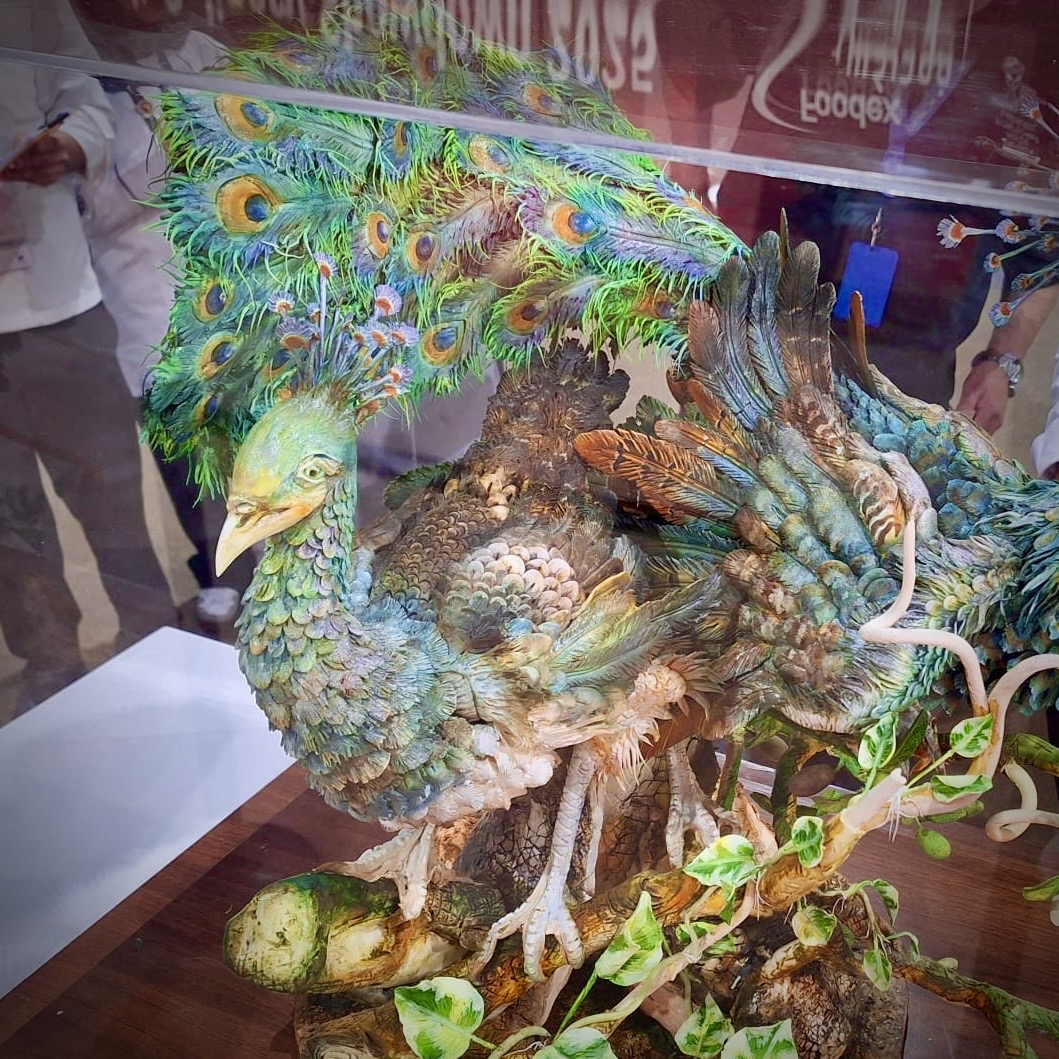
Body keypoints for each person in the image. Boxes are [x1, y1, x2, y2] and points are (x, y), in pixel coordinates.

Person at [0, 0, 174, 709]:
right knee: (8, 519)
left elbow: (83, 95)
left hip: (63, 301)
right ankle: (49, 660)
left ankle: (155, 637)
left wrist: (70, 145)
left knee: (110, 499)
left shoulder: (26, 7)